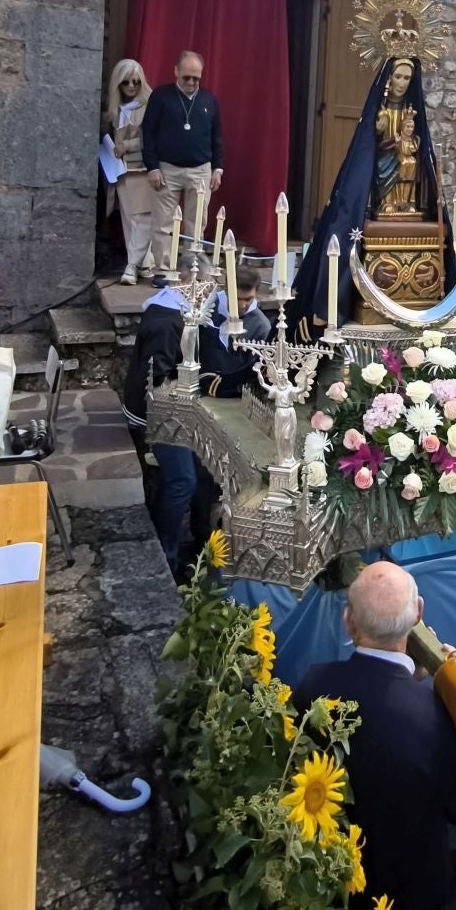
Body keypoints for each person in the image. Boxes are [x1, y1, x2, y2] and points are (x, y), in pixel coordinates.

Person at [295, 563, 456, 910]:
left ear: (348, 622)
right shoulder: (438, 714)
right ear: (418, 614)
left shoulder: (313, 688)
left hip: (336, 908)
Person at [121, 264, 270, 571]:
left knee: (204, 466)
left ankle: (202, 539)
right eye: (206, 287)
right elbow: (156, 381)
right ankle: (166, 556)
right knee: (183, 481)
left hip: (173, 408)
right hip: (156, 413)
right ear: (188, 286)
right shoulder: (169, 322)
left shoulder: (180, 314)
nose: (211, 296)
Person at [140, 50, 223, 281]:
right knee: (164, 222)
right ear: (176, 71)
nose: (191, 82)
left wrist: (218, 168)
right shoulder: (161, 96)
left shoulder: (208, 99)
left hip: (200, 170)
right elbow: (148, 132)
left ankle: (191, 271)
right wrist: (152, 167)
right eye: (186, 77)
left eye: (196, 78)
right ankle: (164, 270)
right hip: (167, 169)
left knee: (196, 224)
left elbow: (216, 136)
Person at [104, 58, 154, 285]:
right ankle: (140, 264)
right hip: (120, 171)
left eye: (136, 82)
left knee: (141, 218)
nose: (132, 87)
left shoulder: (149, 105)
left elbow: (152, 138)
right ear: (118, 85)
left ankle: (139, 264)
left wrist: (127, 146)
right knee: (127, 219)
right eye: (126, 83)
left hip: (142, 169)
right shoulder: (116, 110)